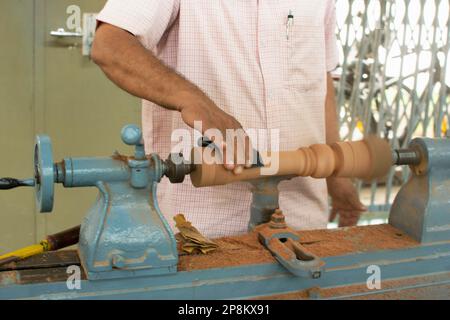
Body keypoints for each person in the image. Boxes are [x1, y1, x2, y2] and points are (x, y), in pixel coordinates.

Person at [91, 0, 366, 238]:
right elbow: (110, 45)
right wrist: (193, 100)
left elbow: (321, 79)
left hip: (302, 220)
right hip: (200, 230)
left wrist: (336, 174)